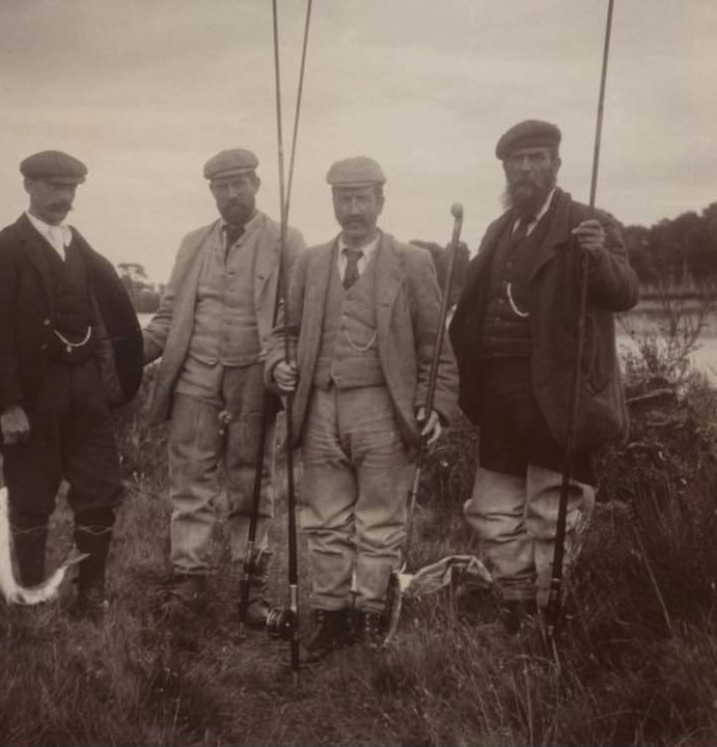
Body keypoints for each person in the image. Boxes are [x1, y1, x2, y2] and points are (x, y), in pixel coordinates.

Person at [449, 119, 639, 630]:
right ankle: (514, 605)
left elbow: (624, 292)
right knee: (493, 507)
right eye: (518, 161)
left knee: (553, 509)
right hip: (499, 395)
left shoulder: (587, 223)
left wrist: (597, 257)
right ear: (507, 169)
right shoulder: (498, 229)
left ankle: (551, 609)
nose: (527, 169)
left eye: (537, 159)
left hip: (559, 395)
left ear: (556, 165)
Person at [267, 156, 457, 662]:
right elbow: (282, 335)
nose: (353, 209)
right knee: (324, 518)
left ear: (380, 201)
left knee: (379, 518)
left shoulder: (412, 262)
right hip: (319, 408)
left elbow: (435, 347)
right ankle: (330, 616)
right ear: (332, 202)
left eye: (362, 198)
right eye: (343, 198)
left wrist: (434, 404)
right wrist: (277, 369)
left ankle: (371, 615)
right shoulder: (307, 262)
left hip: (382, 408)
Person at [0, 149, 144, 618]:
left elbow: (113, 319)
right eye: (53, 187)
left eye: (71, 189)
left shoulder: (81, 249)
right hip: (32, 400)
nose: (63, 197)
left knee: (100, 492)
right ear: (28, 187)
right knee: (30, 497)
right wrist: (8, 405)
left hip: (87, 396)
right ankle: (29, 597)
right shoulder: (1, 251)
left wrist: (114, 385)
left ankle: (91, 596)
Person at [143, 148, 305, 627]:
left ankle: (251, 586)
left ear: (256, 184)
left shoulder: (286, 240)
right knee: (189, 482)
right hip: (193, 377)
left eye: (240, 184)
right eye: (222, 186)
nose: (232, 194)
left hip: (253, 380)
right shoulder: (193, 242)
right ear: (211, 191)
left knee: (250, 482)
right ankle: (187, 581)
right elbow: (168, 316)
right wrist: (127, 356)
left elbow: (291, 319)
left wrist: (281, 368)